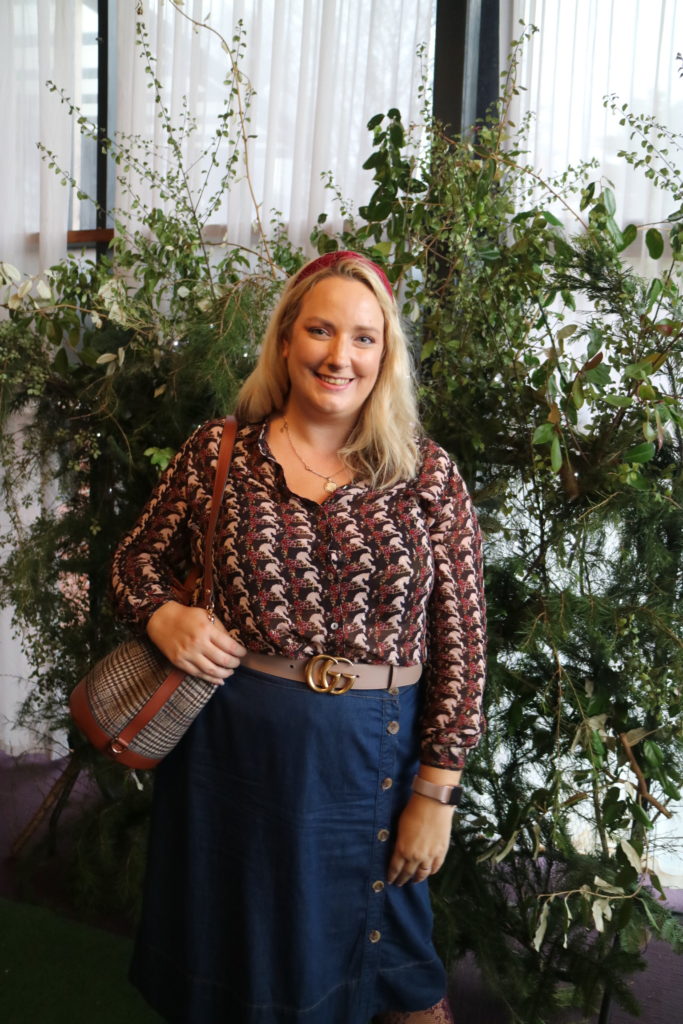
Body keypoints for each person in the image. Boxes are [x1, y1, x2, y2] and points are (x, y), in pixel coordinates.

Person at [111, 251, 486, 1024]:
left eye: (362, 338)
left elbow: (463, 644)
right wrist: (161, 614)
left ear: (384, 358)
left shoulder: (427, 477)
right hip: (229, 760)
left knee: (398, 980)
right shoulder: (217, 453)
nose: (337, 356)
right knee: (237, 968)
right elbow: (131, 562)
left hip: (372, 761)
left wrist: (437, 790)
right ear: (286, 340)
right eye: (319, 330)